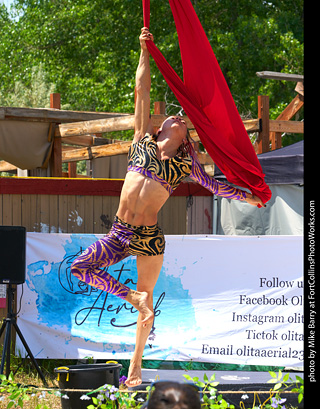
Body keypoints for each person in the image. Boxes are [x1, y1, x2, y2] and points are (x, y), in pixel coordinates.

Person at [70, 27, 265, 388]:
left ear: (185, 135)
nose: (175, 116)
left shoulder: (186, 166)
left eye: (180, 118)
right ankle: (135, 299)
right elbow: (140, 90)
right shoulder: (140, 140)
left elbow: (218, 186)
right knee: (81, 267)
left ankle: (136, 366)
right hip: (119, 231)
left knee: (149, 307)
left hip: (148, 236)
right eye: (172, 116)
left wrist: (250, 196)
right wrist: (144, 49)